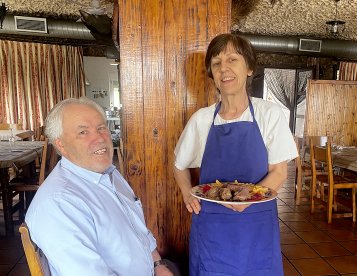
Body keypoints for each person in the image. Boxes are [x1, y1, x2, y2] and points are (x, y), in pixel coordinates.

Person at [173, 34, 298, 275]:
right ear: (211, 73)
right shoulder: (202, 119)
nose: (224, 68)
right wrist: (187, 193)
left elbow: (279, 171)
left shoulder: (269, 114)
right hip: (212, 225)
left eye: (233, 59)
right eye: (217, 63)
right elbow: (179, 164)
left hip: (256, 224)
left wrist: (247, 200)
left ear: (249, 68)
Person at [25, 98, 173, 276]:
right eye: (83, 132)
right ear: (61, 145)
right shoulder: (60, 203)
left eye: (101, 128)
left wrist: (158, 264)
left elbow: (138, 229)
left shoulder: (108, 173)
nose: (99, 138)